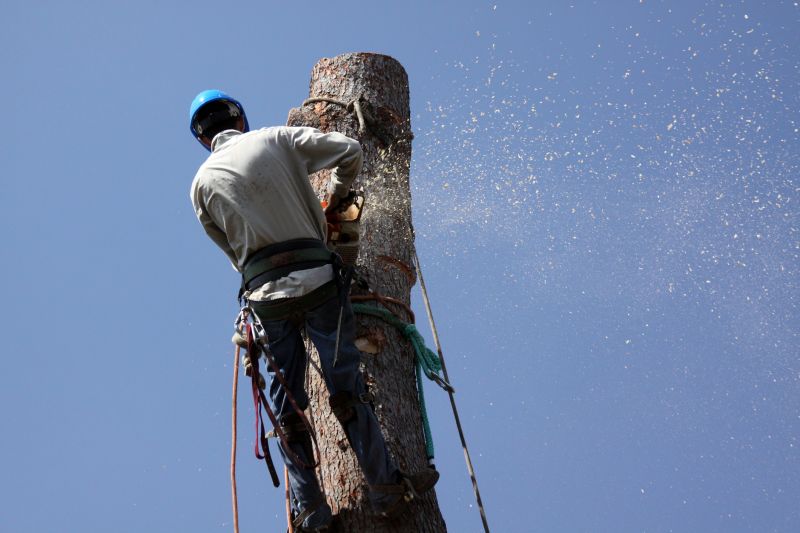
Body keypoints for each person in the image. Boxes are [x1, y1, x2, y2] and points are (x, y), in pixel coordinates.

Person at [188, 90, 437, 531]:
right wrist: (337, 201)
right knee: (345, 390)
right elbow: (350, 150)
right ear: (239, 119)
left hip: (263, 296)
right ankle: (385, 489)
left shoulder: (200, 185)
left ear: (202, 137)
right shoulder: (276, 139)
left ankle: (312, 512)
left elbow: (233, 253)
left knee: (288, 410)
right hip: (320, 280)